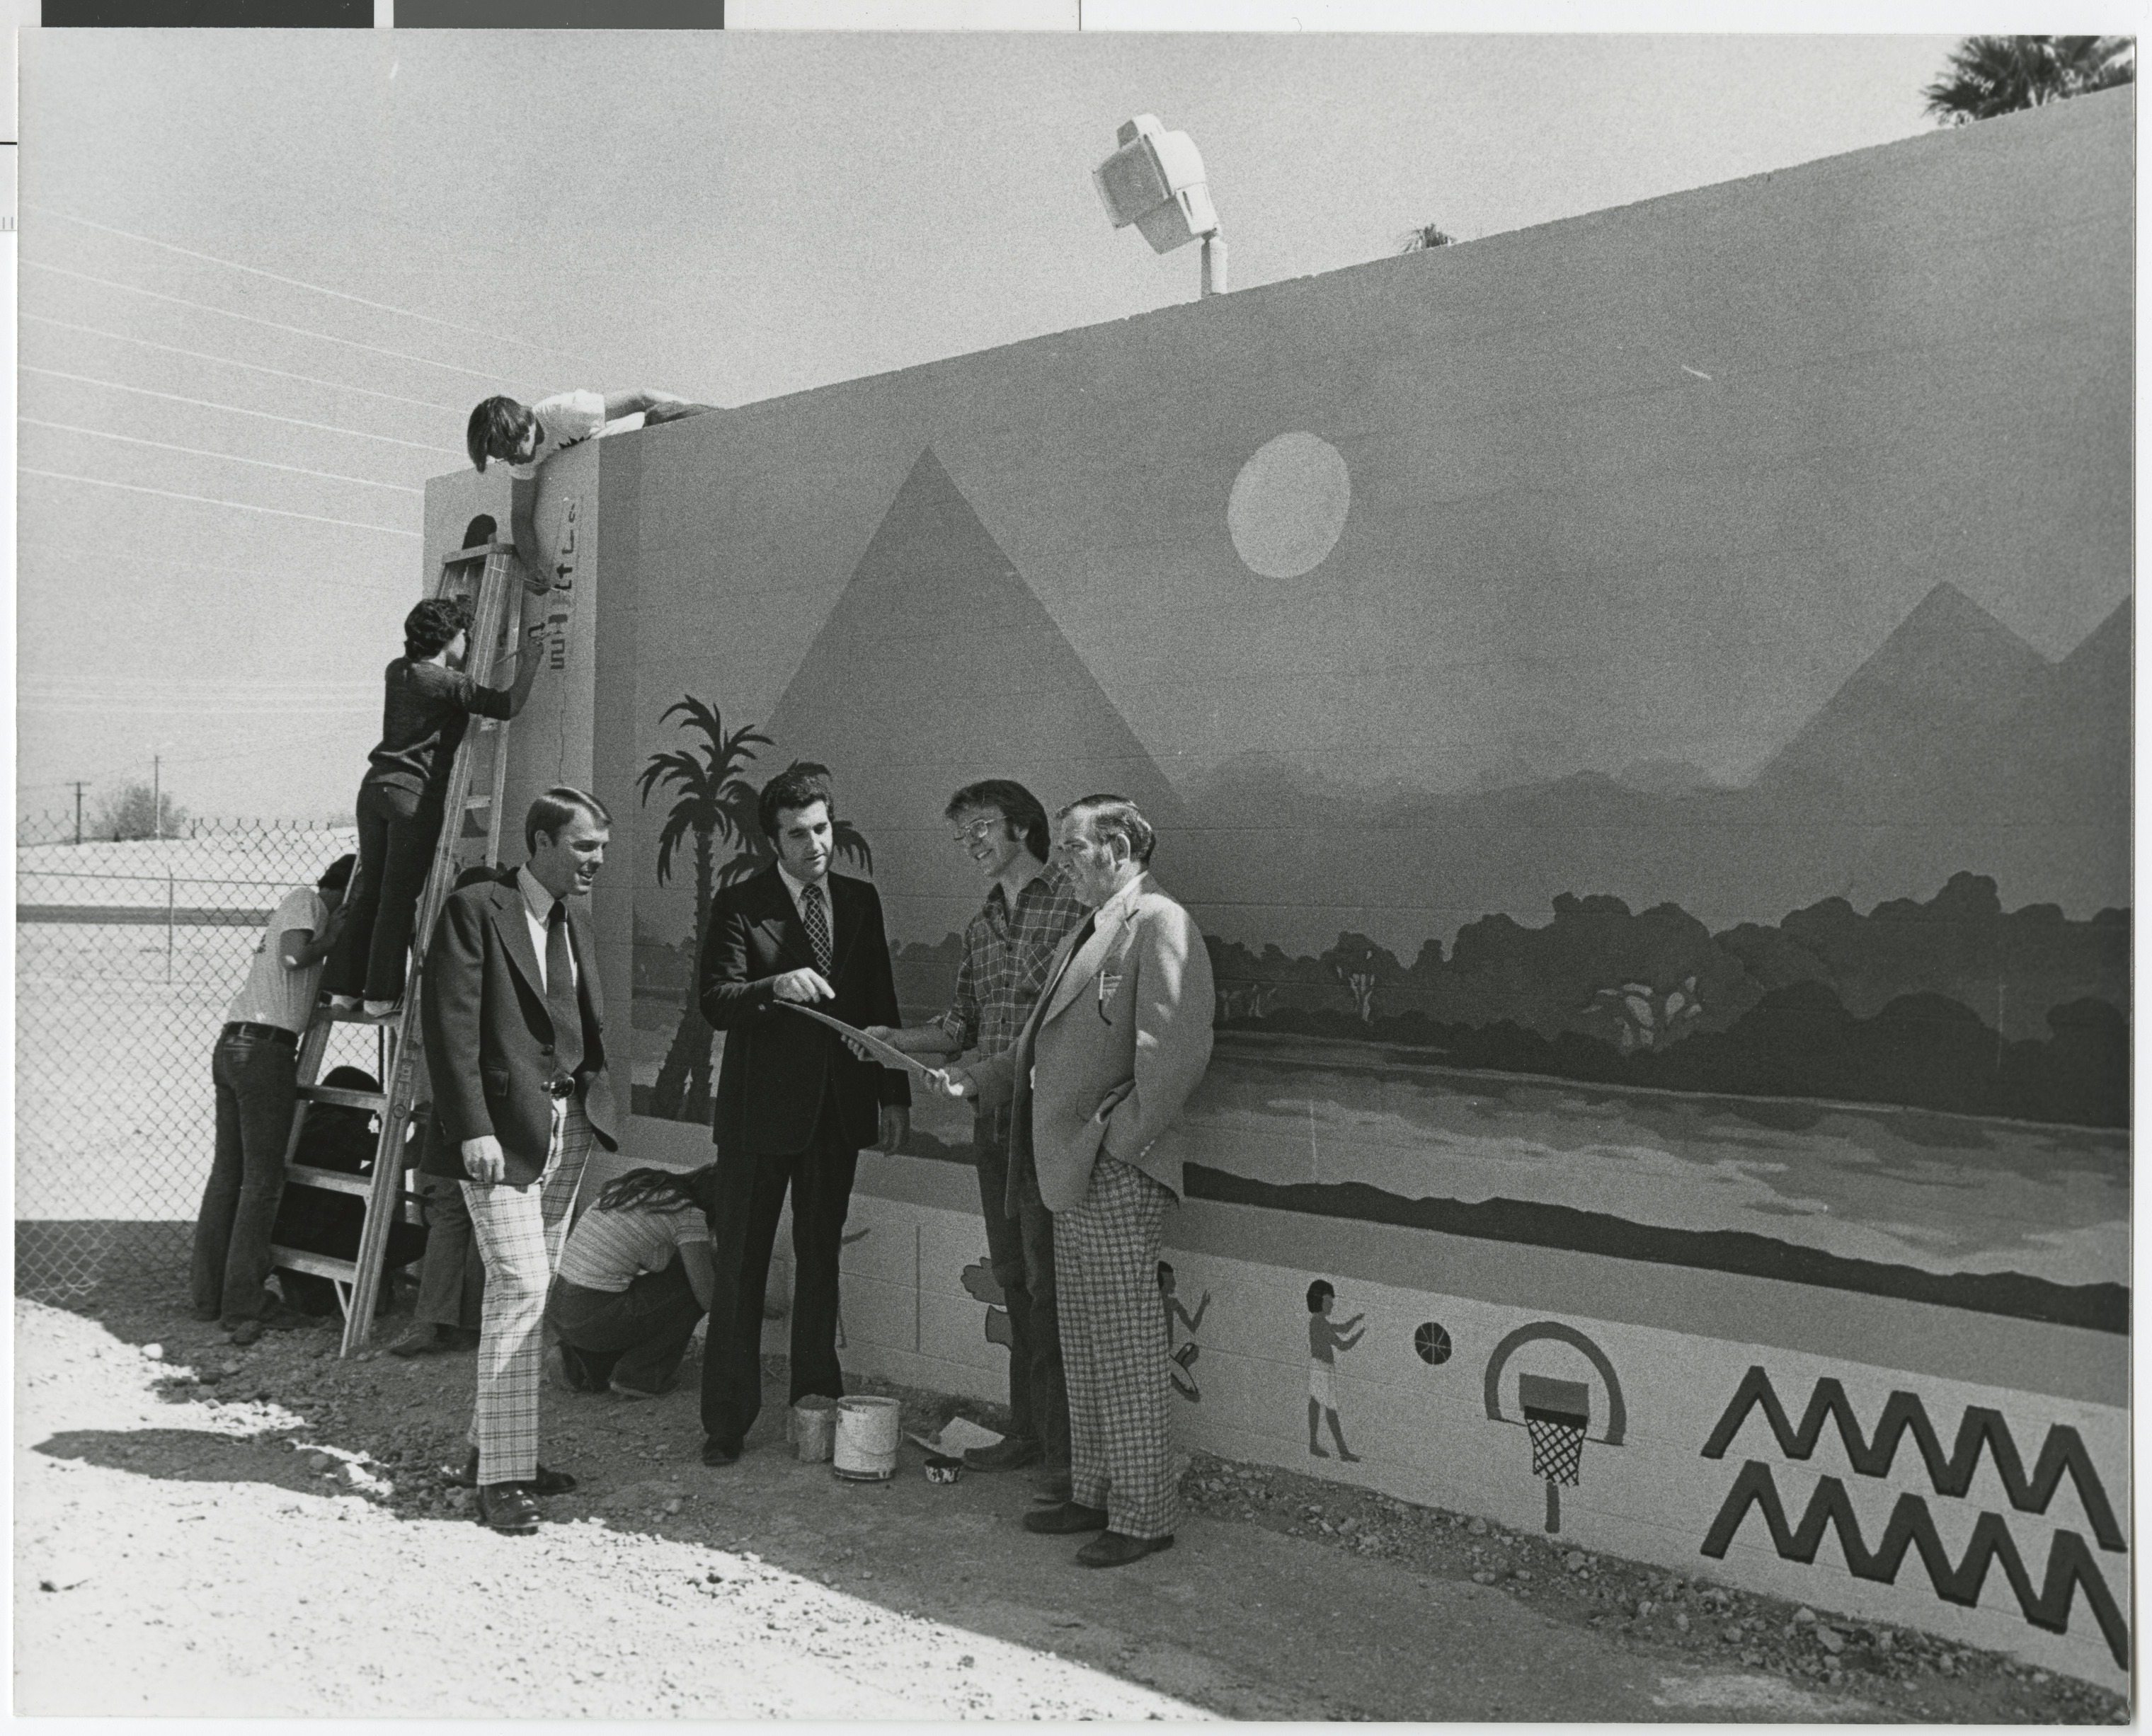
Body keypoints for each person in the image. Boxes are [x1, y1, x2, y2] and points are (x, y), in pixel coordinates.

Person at [939, 795, 1214, 1569]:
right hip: (1071, 1169)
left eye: (1072, 848)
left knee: (1122, 1347)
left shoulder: (1159, 922)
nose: (1060, 863)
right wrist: (977, 1079)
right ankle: (1093, 1490)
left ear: (1119, 845)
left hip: (1111, 1170)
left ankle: (1142, 1512)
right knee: (1085, 1341)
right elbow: (1033, 1046)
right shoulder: (1090, 927)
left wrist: (1115, 1144)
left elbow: (1175, 1055)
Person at [866, 780, 1087, 1495]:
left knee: (1052, 1287)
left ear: (1024, 827)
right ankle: (1028, 1432)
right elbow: (961, 1024)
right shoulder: (982, 923)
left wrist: (976, 1073)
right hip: (993, 1124)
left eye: (983, 829)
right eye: (963, 835)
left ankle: (1066, 1453)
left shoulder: (1076, 910)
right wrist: (897, 1040)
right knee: (1017, 1282)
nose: (973, 845)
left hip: (1050, 1121)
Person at [695, 762, 910, 1468]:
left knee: (821, 1261)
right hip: (759, 1117)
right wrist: (772, 983)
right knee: (742, 1270)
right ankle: (725, 1421)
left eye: (822, 827)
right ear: (772, 839)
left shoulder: (860, 898)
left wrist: (893, 1096)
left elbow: (880, 1001)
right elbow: (715, 1000)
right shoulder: (740, 903)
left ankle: (814, 1408)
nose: (814, 844)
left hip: (838, 1113)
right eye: (797, 833)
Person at [418, 788, 621, 1535]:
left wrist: (592, 1102)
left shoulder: (576, 923)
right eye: (585, 845)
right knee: (522, 1281)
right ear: (541, 840)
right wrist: (470, 1126)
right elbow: (450, 1028)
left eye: (602, 845)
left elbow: (580, 1023)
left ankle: (492, 1449)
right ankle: (502, 1480)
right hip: (497, 1135)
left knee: (529, 1295)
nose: (598, 858)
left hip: (566, 1127)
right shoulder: (478, 909)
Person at [324, 586, 549, 1018]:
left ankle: (342, 990)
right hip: (413, 795)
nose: (468, 641)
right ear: (450, 640)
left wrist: (459, 613)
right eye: (464, 634)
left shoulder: (398, 671)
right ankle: (380, 997)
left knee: (372, 893)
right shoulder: (448, 683)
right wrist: (530, 664)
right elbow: (508, 706)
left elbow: (442, 669)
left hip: (374, 789)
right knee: (398, 898)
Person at [190, 852, 355, 1346]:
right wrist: (332, 939)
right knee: (261, 1182)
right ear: (343, 893)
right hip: (265, 1049)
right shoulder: (306, 901)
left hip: (239, 1043)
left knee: (230, 1175)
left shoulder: (301, 910)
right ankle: (244, 1301)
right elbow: (292, 955)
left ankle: (209, 1294)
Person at [465, 390, 714, 577]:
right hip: (632, 465)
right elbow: (520, 515)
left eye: (512, 452)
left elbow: (640, 398)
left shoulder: (562, 412)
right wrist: (533, 566)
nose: (513, 460)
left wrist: (702, 414)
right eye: (504, 457)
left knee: (663, 412)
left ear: (523, 429)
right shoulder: (522, 459)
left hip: (650, 427)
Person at [546, 1164, 719, 1401]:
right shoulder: (687, 1215)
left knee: (651, 1297)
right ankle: (642, 1378)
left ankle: (579, 1361)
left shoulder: (642, 1188)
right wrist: (752, 1300)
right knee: (690, 1288)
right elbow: (708, 1297)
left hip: (560, 1306)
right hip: (593, 1313)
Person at [269, 1065, 430, 1317]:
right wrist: (424, 1124)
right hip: (318, 1237)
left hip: (289, 1236)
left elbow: (353, 1179)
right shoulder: (337, 1125)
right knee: (417, 1239)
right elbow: (409, 1157)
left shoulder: (307, 1118)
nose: (370, 1118)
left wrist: (383, 1161)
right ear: (356, 1103)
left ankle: (332, 1289)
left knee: (315, 1308)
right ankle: (356, 1286)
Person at [1305, 1280, 1365, 1461]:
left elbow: (1343, 1328)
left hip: (1323, 1368)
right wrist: (1360, 1335)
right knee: (1328, 1408)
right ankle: (1340, 1450)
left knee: (1318, 1405)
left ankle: (1320, 1445)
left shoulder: (1320, 1321)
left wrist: (1355, 1321)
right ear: (1319, 1301)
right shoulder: (1319, 1324)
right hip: (1322, 1368)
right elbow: (1343, 1345)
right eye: (1328, 1301)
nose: (1332, 1304)